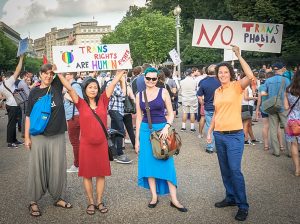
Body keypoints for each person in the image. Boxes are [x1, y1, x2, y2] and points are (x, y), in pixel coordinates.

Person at [57, 69, 127, 215]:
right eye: (90, 87)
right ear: (85, 89)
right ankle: (90, 202)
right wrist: (59, 75)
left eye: (95, 87)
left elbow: (113, 84)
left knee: (101, 174)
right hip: (86, 146)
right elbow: (69, 88)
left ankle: (99, 201)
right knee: (87, 175)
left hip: (101, 145)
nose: (93, 89)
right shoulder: (80, 103)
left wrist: (120, 73)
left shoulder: (103, 100)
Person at [207, 45, 253, 221]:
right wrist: (210, 131)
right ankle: (231, 197)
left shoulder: (236, 86)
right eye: (220, 72)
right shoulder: (217, 91)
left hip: (234, 135)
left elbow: (250, 76)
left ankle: (243, 205)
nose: (222, 74)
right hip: (219, 135)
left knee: (235, 170)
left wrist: (239, 56)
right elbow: (217, 114)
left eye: (225, 72)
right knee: (225, 170)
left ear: (230, 74)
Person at [135, 67, 187, 212]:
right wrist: (137, 140)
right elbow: (139, 118)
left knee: (167, 163)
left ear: (157, 79)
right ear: (144, 78)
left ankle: (174, 199)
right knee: (149, 164)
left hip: (162, 131)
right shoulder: (139, 95)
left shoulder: (163, 91)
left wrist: (166, 127)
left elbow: (171, 113)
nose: (151, 81)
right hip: (145, 132)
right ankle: (154, 196)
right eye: (148, 78)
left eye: (154, 78)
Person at [25, 64, 72, 217]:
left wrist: (59, 71)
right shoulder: (34, 93)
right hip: (39, 136)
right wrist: (26, 137)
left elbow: (69, 87)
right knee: (37, 168)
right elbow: (28, 116)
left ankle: (57, 197)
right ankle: (33, 201)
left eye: (51, 74)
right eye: (45, 73)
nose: (48, 76)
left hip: (57, 134)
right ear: (40, 74)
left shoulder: (57, 86)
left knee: (57, 168)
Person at [263, 62, 291, 157]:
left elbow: (263, 92)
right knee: (287, 129)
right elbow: (289, 94)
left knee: (273, 129)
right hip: (283, 107)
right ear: (281, 69)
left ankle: (276, 151)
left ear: (274, 70)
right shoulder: (286, 80)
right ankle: (291, 152)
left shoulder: (268, 80)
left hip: (272, 107)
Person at [107, 72, 132, 164]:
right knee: (120, 131)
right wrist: (123, 82)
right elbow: (123, 94)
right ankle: (119, 153)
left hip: (118, 110)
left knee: (114, 131)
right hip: (114, 109)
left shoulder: (118, 83)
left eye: (125, 73)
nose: (124, 74)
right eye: (123, 73)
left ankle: (112, 152)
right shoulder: (111, 83)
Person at [0, 55, 24, 148]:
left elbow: (1, 96)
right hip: (13, 105)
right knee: (11, 124)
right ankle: (10, 142)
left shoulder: (2, 85)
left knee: (13, 123)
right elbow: (18, 70)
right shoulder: (9, 82)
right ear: (9, 77)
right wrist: (21, 59)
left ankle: (14, 140)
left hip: (10, 104)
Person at [197, 64, 220, 153]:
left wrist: (202, 103)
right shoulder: (220, 81)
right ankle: (219, 148)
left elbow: (199, 96)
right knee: (219, 128)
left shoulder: (204, 82)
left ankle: (210, 147)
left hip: (208, 107)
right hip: (220, 108)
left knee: (209, 127)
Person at [63, 72, 83, 172]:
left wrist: (67, 96)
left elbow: (80, 101)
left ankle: (77, 165)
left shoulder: (74, 85)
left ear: (71, 75)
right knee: (77, 141)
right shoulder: (71, 86)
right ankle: (80, 163)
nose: (64, 76)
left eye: (66, 74)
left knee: (75, 141)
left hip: (75, 116)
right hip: (73, 116)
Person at [284, 69, 300, 176]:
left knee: (293, 145)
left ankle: (297, 170)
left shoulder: (288, 89)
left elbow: (286, 107)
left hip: (292, 120)